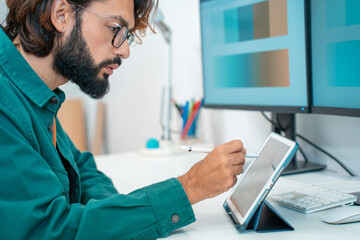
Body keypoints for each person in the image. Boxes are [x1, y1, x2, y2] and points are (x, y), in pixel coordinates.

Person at [0, 0, 246, 239]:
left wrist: (120, 218)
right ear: (61, 14)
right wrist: (190, 187)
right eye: (114, 29)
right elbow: (48, 231)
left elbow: (82, 170)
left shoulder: (37, 96)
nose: (124, 50)